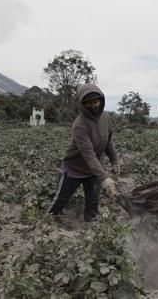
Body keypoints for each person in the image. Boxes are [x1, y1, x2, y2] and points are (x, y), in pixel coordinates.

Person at [46, 83, 119, 222]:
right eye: (88, 103)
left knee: (92, 205)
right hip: (74, 169)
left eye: (96, 102)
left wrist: (114, 160)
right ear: (81, 104)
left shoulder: (106, 118)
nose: (93, 106)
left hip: (94, 171)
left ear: (101, 100)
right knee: (59, 201)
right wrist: (104, 177)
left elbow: (108, 141)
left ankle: (89, 229)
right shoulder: (79, 125)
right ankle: (42, 225)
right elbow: (89, 155)